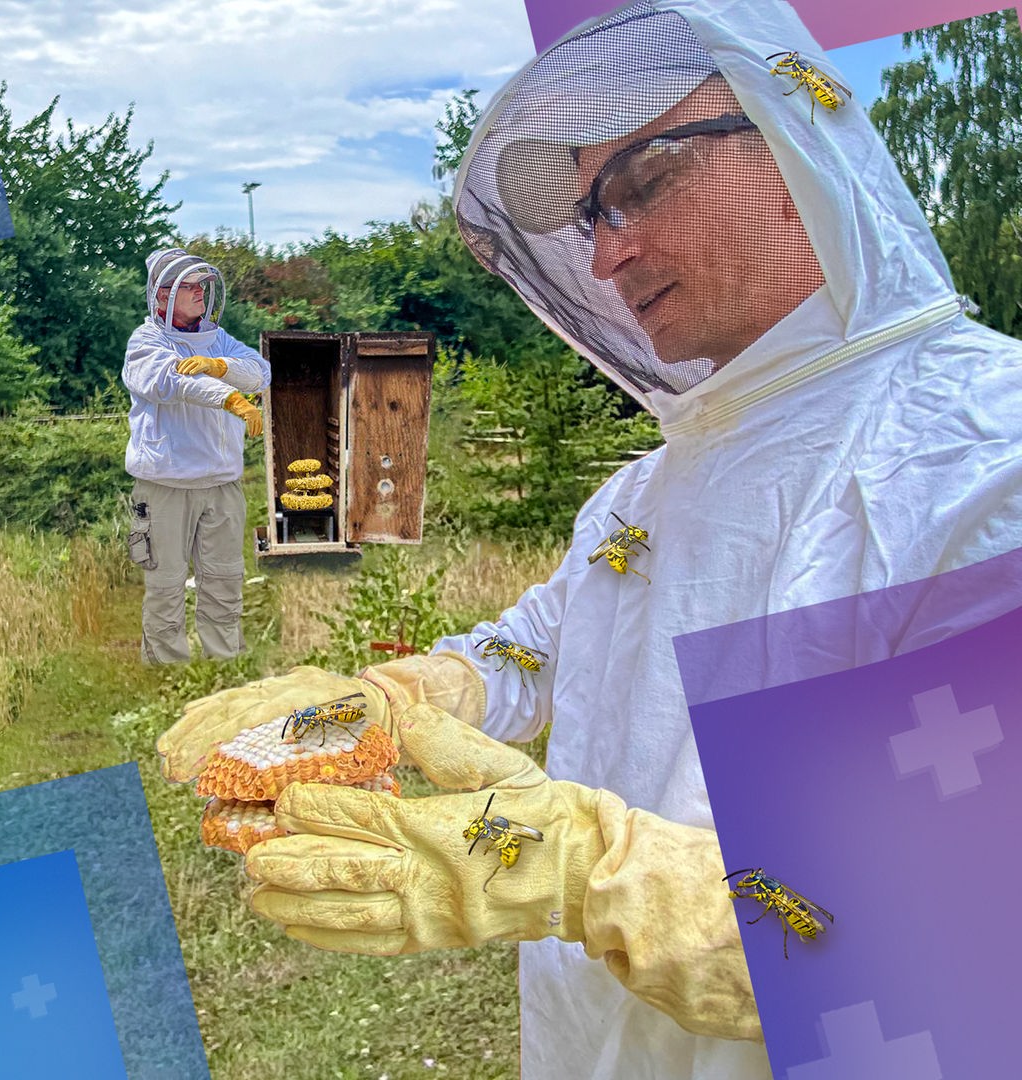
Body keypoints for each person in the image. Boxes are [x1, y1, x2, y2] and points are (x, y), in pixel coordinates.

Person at [156, 0, 1022, 1076]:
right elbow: (536, 650)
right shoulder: (642, 494)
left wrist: (592, 874)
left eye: (644, 182)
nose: (608, 257)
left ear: (795, 139)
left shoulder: (986, 451)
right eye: (589, 217)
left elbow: (958, 928)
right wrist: (400, 696)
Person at [122, 248, 271, 664]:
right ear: (163, 295)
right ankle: (165, 669)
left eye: (201, 285)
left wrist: (220, 365)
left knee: (224, 579)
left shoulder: (217, 338)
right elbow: (173, 380)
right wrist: (230, 398)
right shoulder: (145, 342)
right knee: (165, 583)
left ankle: (225, 664)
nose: (199, 292)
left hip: (222, 483)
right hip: (165, 484)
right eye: (188, 287)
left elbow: (260, 371)